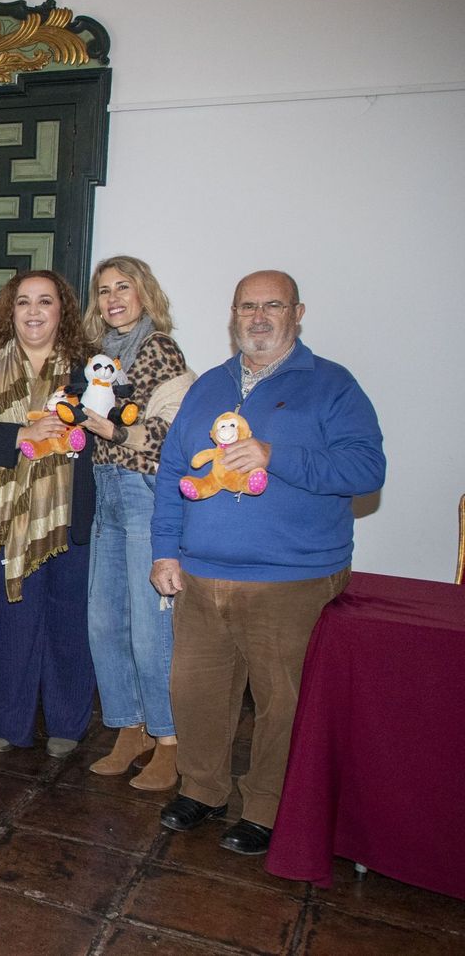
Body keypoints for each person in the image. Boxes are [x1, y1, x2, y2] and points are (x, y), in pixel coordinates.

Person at [151, 269, 383, 856]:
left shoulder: (332, 385)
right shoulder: (208, 387)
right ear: (233, 316)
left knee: (282, 703)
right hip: (202, 577)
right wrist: (164, 550)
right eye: (246, 307)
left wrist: (277, 455)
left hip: (292, 581)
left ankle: (267, 808)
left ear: (297, 313)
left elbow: (366, 471)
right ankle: (202, 790)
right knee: (195, 692)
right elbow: (175, 474)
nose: (258, 317)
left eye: (272, 305)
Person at [0, 270, 97, 757]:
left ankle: (66, 723)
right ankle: (6, 720)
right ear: (8, 312)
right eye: (23, 302)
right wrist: (20, 436)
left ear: (63, 312)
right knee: (10, 619)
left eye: (45, 301)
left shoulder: (89, 371)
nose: (34, 312)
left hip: (69, 515)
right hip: (4, 518)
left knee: (68, 619)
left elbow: (104, 431)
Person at [76, 257, 194, 790]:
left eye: (124, 287)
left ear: (145, 293)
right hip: (108, 495)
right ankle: (130, 727)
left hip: (145, 496)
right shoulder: (102, 355)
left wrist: (115, 433)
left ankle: (170, 738)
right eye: (103, 291)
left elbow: (172, 437)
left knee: (151, 629)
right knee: (104, 621)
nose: (113, 298)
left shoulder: (159, 349)